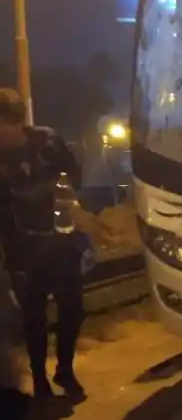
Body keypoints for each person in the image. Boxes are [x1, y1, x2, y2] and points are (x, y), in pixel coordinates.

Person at [0, 88, 85, 399]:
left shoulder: (48, 141)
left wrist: (67, 193)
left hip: (62, 241)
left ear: (14, 122)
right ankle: (39, 379)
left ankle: (65, 369)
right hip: (22, 249)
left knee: (73, 310)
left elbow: (73, 174)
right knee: (33, 317)